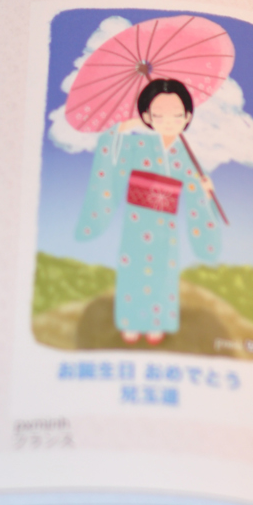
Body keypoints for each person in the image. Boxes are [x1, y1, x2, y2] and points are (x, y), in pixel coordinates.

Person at [74, 78, 222, 343]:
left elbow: (194, 189)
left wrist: (205, 189)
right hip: (137, 221)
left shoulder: (186, 155)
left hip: (166, 225)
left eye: (176, 114)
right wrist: (126, 126)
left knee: (163, 271)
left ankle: (157, 322)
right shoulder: (138, 146)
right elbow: (111, 155)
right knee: (133, 269)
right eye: (159, 115)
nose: (168, 121)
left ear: (187, 116)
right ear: (146, 117)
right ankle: (130, 321)